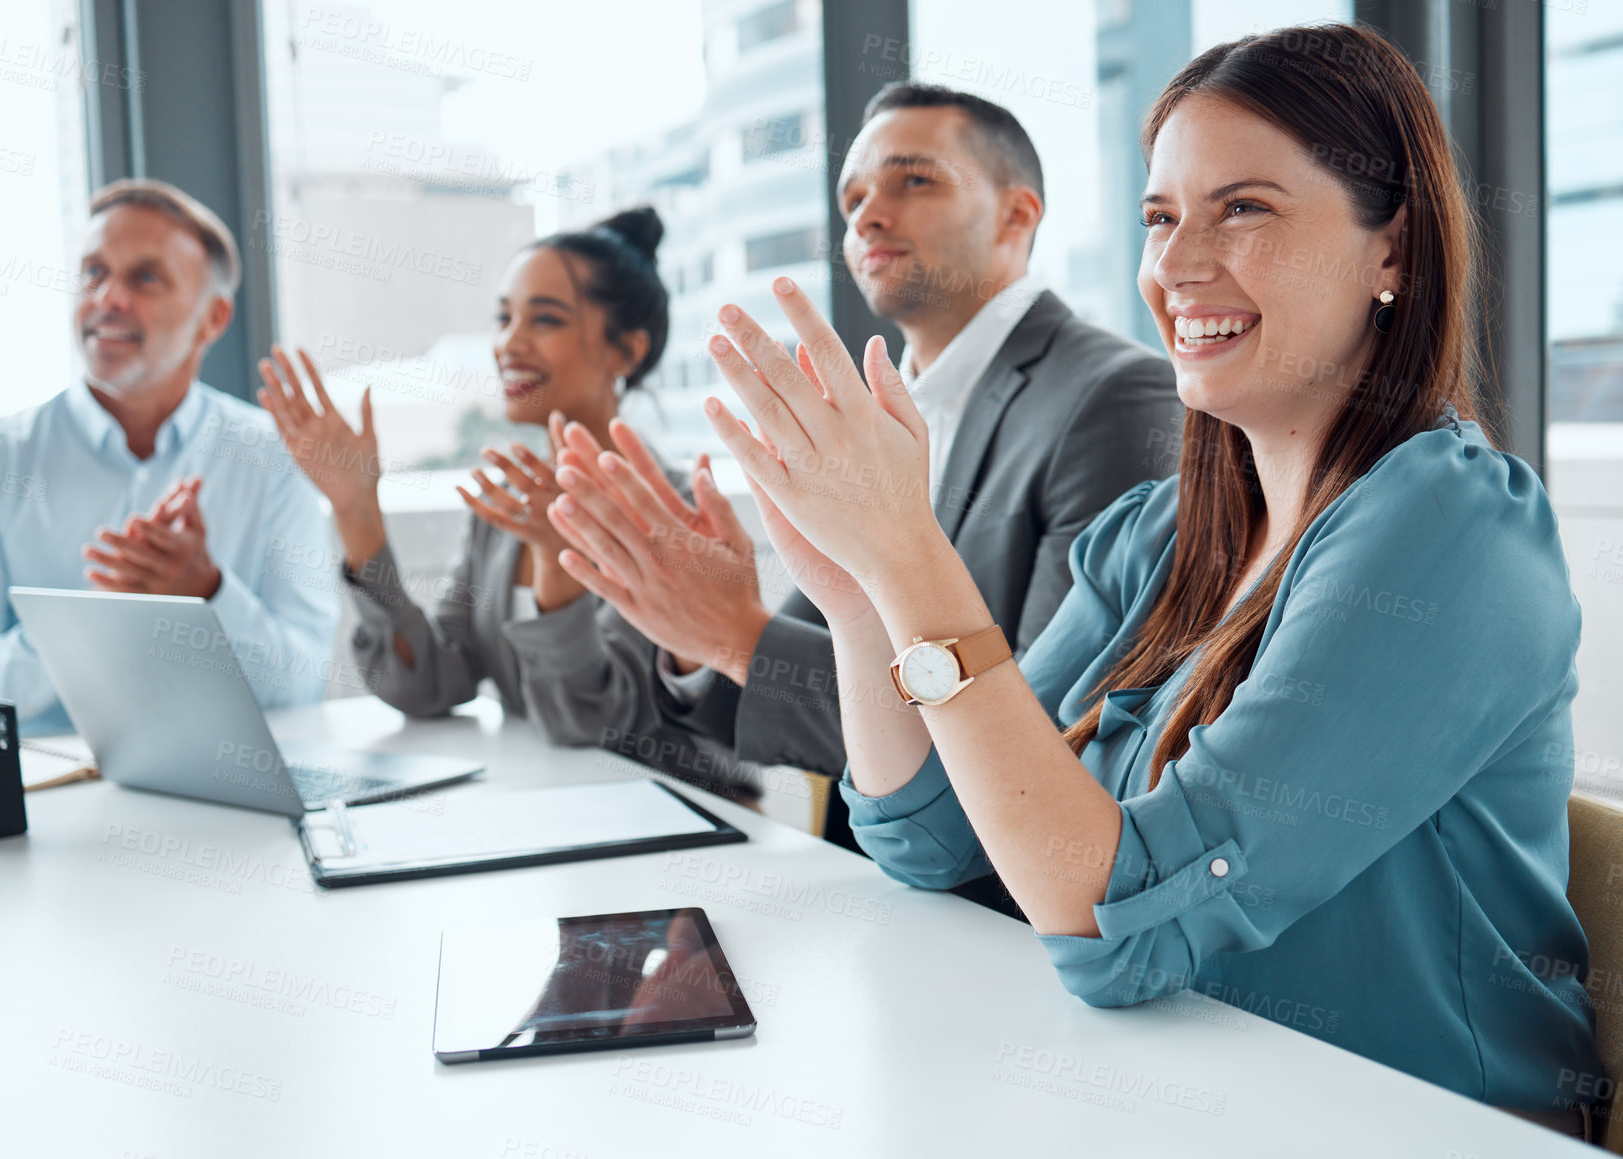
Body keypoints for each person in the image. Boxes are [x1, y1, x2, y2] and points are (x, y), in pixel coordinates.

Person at [687, 23, 1601, 1140]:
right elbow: (932, 838)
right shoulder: (1158, 532)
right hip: (1164, 1104)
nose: (1174, 266)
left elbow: (1117, 921)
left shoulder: (1452, 531)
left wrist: (913, 555)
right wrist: (854, 592)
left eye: (1245, 208)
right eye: (1160, 218)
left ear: (1393, 252)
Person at [547, 84, 1181, 847]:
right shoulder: (871, 419)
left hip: (999, 916)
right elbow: (761, 684)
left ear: (1018, 214)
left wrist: (740, 637)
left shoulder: (1114, 395)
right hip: (874, 884)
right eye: (852, 199)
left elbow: (1049, 730)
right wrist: (698, 626)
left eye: (913, 180)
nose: (867, 215)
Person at [259, 208, 758, 797]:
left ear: (626, 350)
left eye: (544, 320)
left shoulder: (674, 514)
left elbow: (589, 723)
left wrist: (554, 559)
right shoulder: (512, 505)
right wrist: (356, 511)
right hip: (550, 810)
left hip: (681, 823)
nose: (508, 344)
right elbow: (428, 682)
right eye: (504, 318)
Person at [0, 179, 337, 731]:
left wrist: (206, 593)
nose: (107, 298)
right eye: (93, 272)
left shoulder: (274, 459)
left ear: (214, 319)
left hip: (228, 793)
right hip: (43, 803)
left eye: (145, 277)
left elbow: (303, 682)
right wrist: (92, 625)